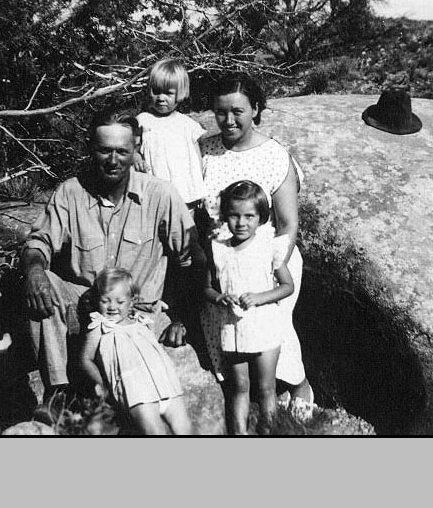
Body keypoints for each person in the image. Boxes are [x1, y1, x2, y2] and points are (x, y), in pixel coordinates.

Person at [20, 107, 200, 403]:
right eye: (104, 151)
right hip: (84, 304)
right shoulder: (70, 193)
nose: (113, 160)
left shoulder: (161, 195)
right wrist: (35, 271)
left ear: (136, 148)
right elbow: (39, 242)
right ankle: (58, 392)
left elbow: (192, 261)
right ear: (91, 147)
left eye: (121, 151)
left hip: (136, 313)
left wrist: (183, 319)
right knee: (43, 282)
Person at [198, 72, 314, 406]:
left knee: (271, 325)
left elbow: (288, 223)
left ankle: (298, 385)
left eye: (238, 111)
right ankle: (245, 395)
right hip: (223, 257)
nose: (229, 120)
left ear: (255, 109)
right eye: (221, 112)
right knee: (229, 325)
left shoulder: (275, 155)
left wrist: (269, 264)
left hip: (269, 258)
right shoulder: (205, 148)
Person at [203, 181, 294, 435]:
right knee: (239, 387)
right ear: (225, 216)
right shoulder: (219, 250)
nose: (241, 223)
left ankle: (269, 433)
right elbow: (207, 288)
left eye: (249, 216)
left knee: (266, 388)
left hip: (265, 325)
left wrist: (260, 297)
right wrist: (219, 298)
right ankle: (240, 435)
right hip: (233, 327)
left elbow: (287, 286)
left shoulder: (268, 248)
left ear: (261, 217)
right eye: (234, 215)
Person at [78, 267, 194, 435]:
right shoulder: (100, 326)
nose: (112, 307)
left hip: (165, 382)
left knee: (185, 429)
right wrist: (103, 385)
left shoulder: (141, 321)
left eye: (120, 302)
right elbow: (85, 359)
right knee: (155, 431)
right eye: (105, 301)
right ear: (97, 300)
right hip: (134, 390)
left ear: (132, 301)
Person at [133, 58, 207, 212]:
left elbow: (197, 158)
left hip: (184, 193)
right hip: (154, 190)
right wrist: (136, 157)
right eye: (156, 91)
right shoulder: (143, 121)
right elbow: (131, 147)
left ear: (179, 94)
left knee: (185, 228)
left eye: (168, 93)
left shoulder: (187, 125)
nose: (161, 98)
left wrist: (198, 189)